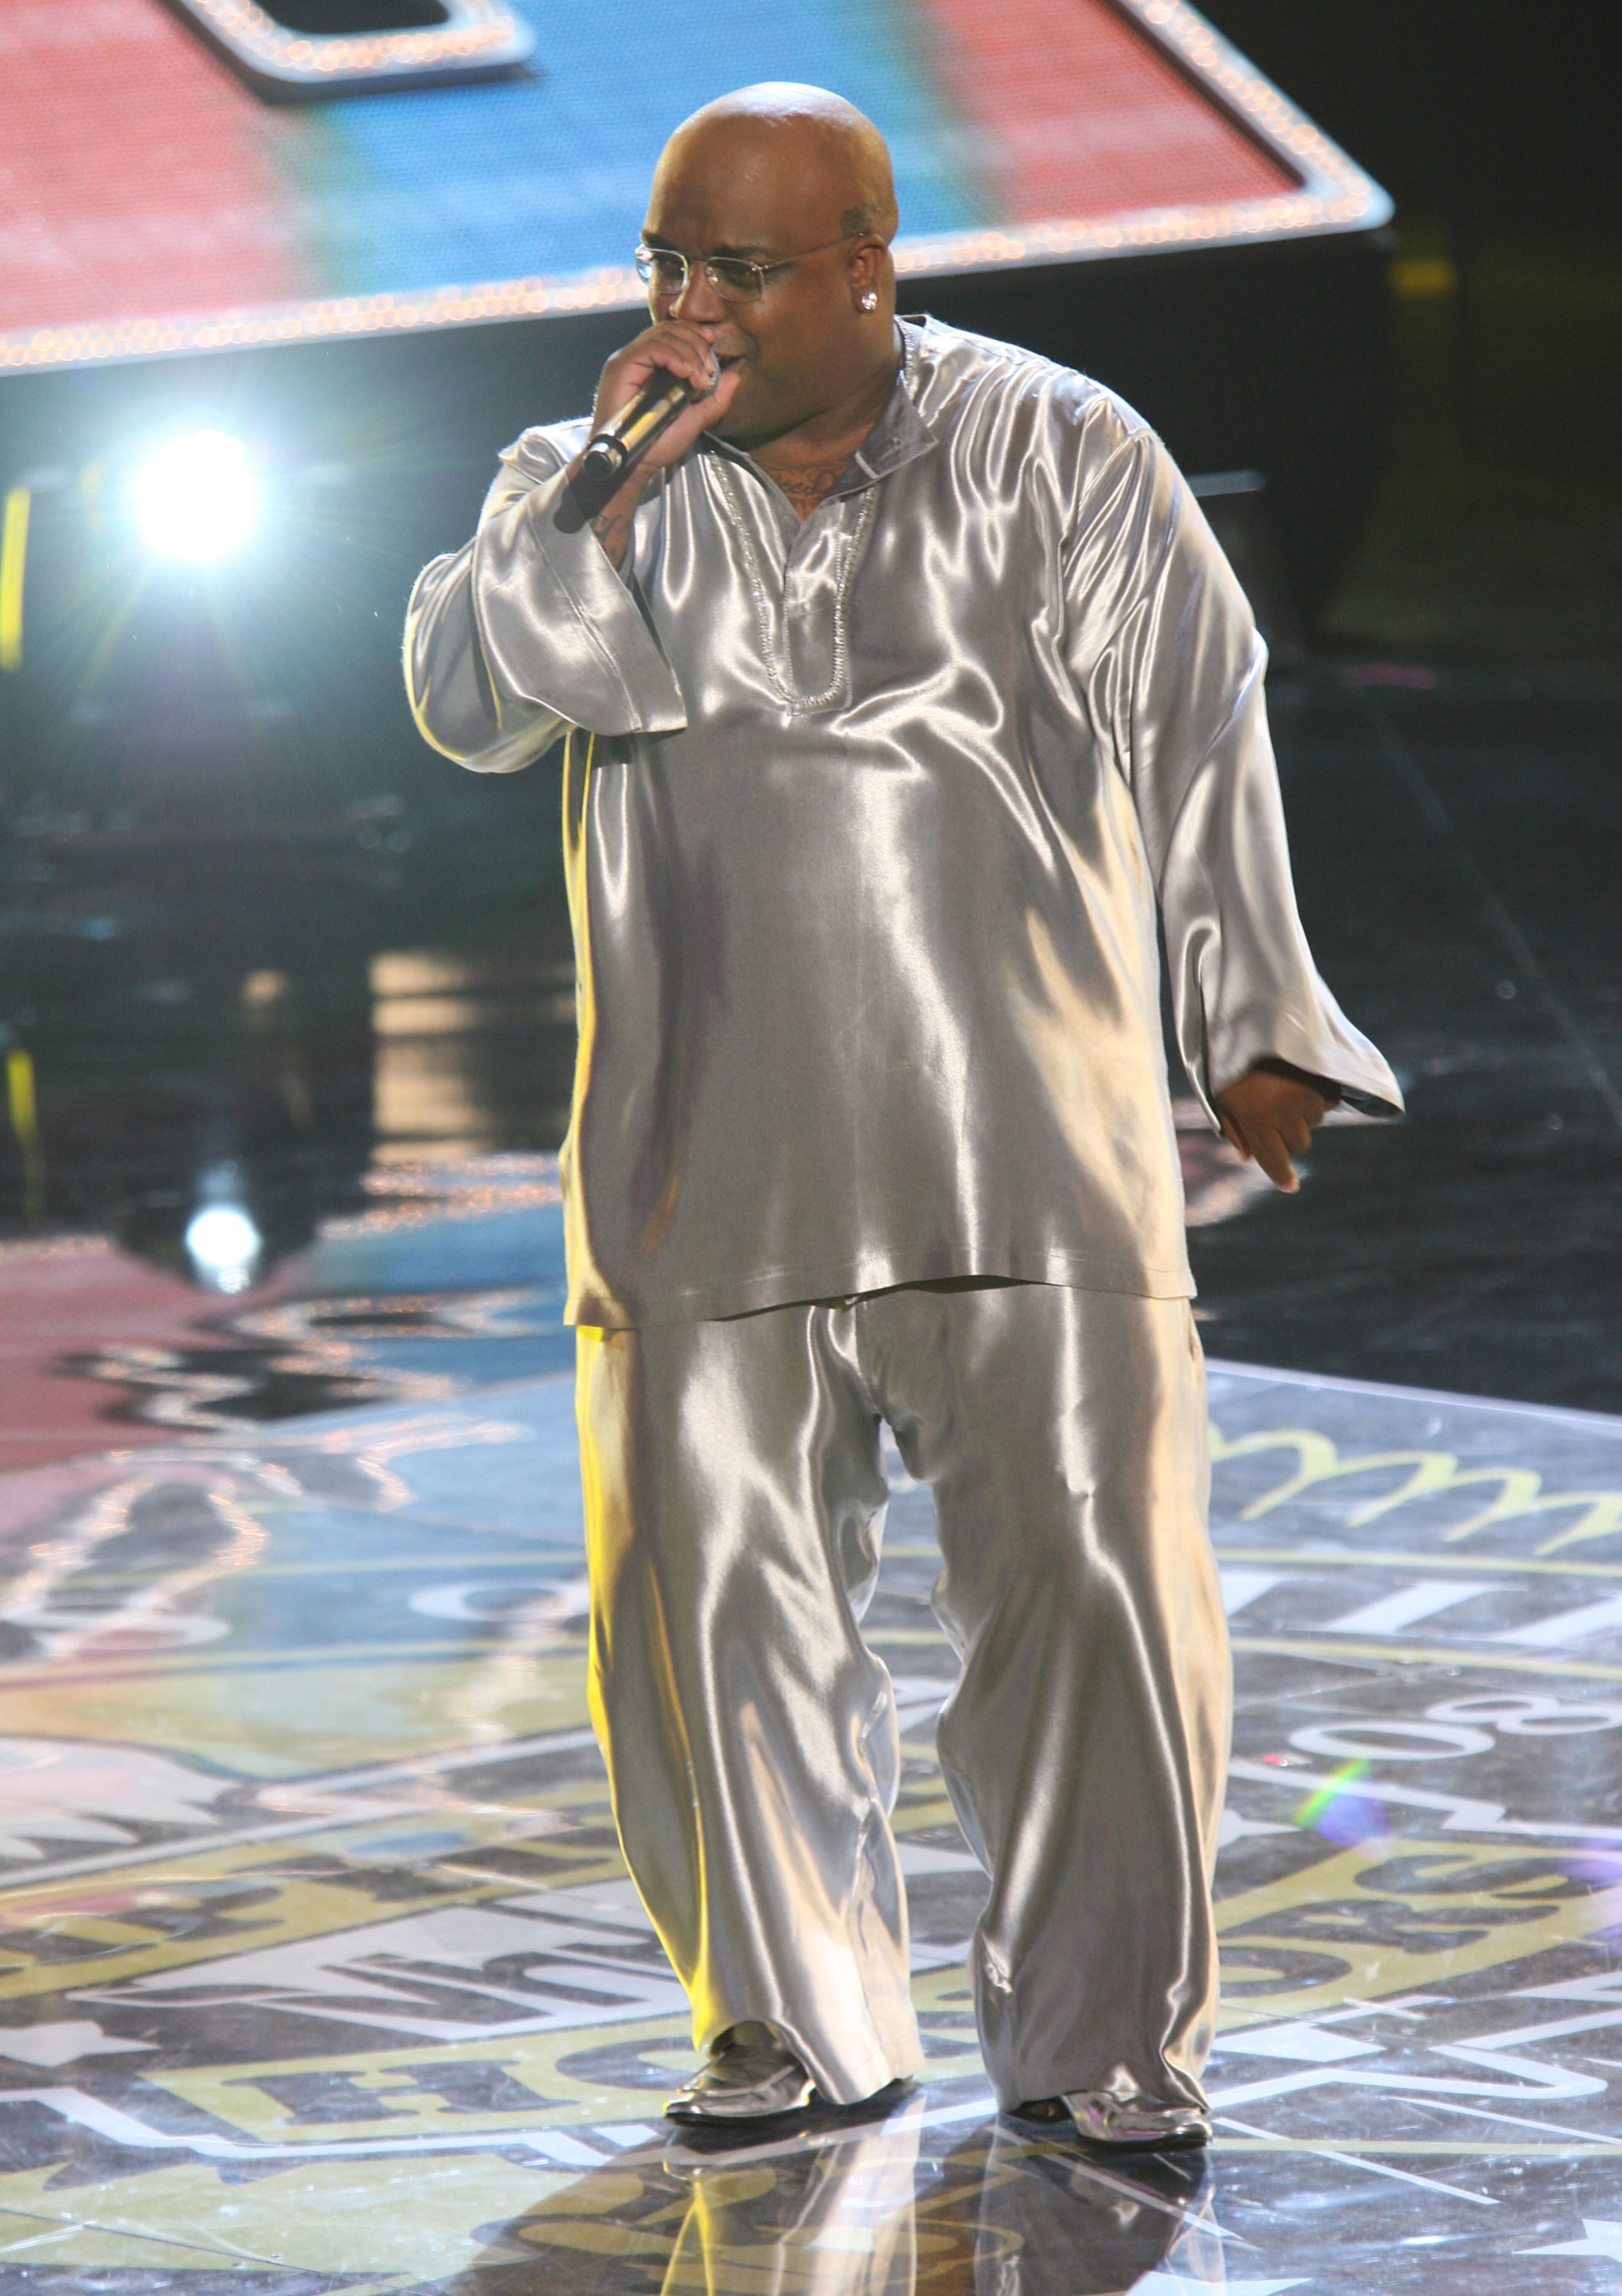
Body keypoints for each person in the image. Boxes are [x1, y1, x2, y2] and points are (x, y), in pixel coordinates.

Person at [405, 83, 1400, 2150]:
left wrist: (1250, 1013)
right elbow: (469, 697)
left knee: (1101, 1604)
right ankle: (789, 2024)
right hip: (702, 1169)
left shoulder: (1066, 450)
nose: (695, 312)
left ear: (872, 265)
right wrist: (591, 486)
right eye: (669, 265)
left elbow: (1205, 717)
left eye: (742, 273)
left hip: (1026, 1154)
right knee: (708, 1621)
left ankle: (1108, 2047)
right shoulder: (588, 479)